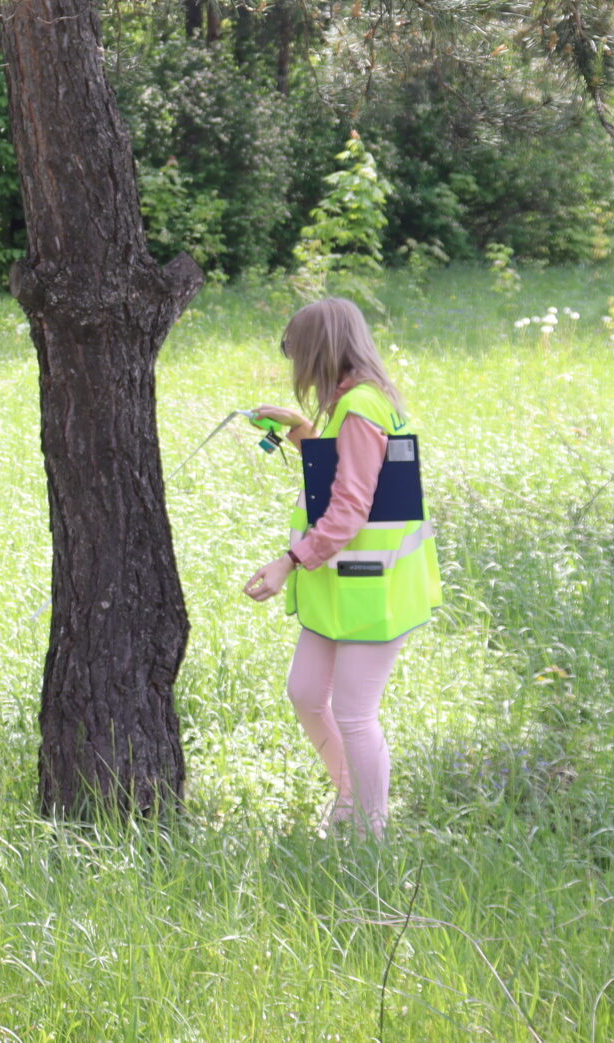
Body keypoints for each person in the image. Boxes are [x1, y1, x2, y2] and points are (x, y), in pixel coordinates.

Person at [240, 296, 442, 836]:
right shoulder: (356, 404)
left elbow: (351, 506)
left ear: (317, 352)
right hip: (346, 586)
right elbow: (346, 474)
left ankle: (370, 836)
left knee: (355, 714)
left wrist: (289, 562)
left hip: (373, 592)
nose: (293, 364)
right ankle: (349, 793)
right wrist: (303, 427)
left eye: (293, 352)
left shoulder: (361, 408)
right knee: (306, 693)